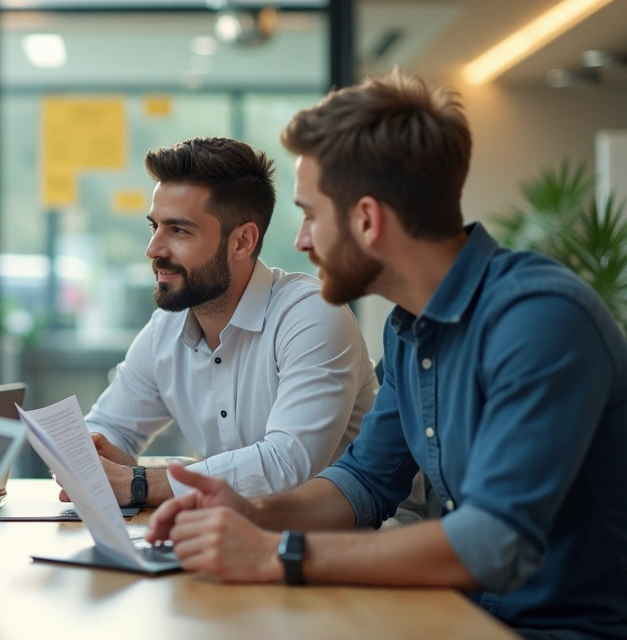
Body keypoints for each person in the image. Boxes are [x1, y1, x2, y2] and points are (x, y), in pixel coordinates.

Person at [146, 71, 627, 639]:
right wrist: (253, 512)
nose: (302, 240)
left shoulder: (540, 319)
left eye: (310, 214)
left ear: (368, 220)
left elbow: (493, 544)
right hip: (456, 616)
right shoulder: (409, 329)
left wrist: (279, 553)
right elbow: (366, 482)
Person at [70, 137, 377, 508]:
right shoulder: (165, 330)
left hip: (357, 544)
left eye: (179, 230)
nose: (153, 249)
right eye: (155, 227)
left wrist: (139, 483)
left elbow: (287, 465)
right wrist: (97, 453)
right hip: (240, 540)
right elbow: (109, 427)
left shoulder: (312, 315)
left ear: (242, 242)